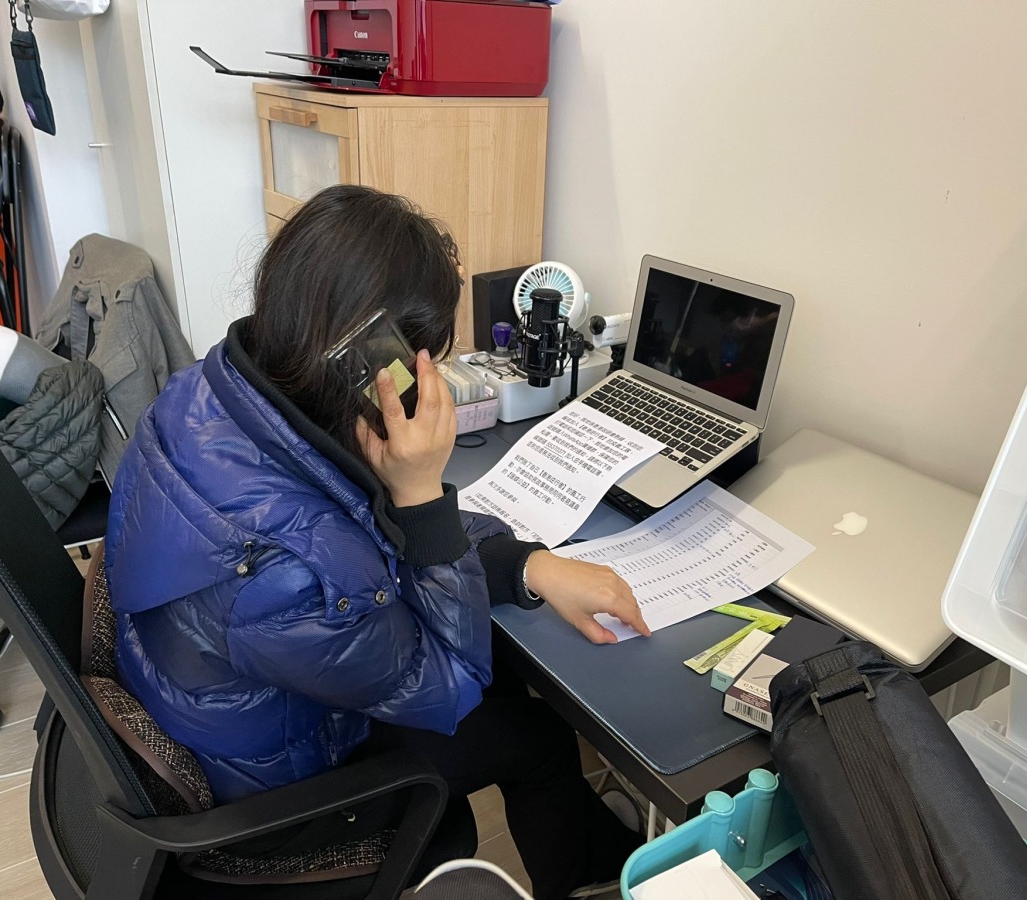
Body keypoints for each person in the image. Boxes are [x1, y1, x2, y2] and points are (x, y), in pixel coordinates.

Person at [105, 185, 650, 899]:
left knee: (508, 676)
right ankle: (595, 879)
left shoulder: (210, 392)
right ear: (371, 367)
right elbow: (449, 685)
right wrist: (420, 490)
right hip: (280, 793)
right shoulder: (287, 576)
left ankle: (590, 845)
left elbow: (358, 535)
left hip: (229, 701)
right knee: (537, 737)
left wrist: (528, 564)